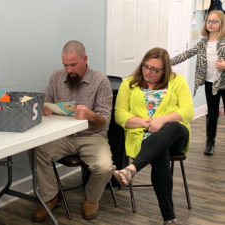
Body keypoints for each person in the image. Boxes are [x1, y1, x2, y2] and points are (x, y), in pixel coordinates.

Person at [32, 40, 114, 222]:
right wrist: (45, 111)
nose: (68, 70)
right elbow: (46, 104)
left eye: (73, 65)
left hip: (92, 136)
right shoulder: (56, 77)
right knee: (38, 150)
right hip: (62, 137)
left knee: (104, 167)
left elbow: (104, 120)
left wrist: (91, 115)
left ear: (85, 59)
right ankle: (52, 197)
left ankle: (92, 199)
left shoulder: (101, 81)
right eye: (65, 65)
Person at [110, 47, 194, 225]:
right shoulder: (129, 84)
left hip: (176, 136)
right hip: (144, 137)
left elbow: (188, 112)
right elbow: (120, 115)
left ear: (165, 71)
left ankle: (132, 169)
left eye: (154, 70)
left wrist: (162, 120)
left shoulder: (177, 82)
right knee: (159, 151)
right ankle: (169, 218)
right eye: (145, 67)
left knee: (170, 128)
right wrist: (146, 123)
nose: (148, 72)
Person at [171, 10, 225, 156]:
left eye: (215, 21)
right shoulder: (203, 43)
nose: (211, 24)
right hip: (210, 83)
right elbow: (186, 54)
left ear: (221, 23)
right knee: (212, 113)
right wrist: (166, 62)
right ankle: (210, 143)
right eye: (208, 21)